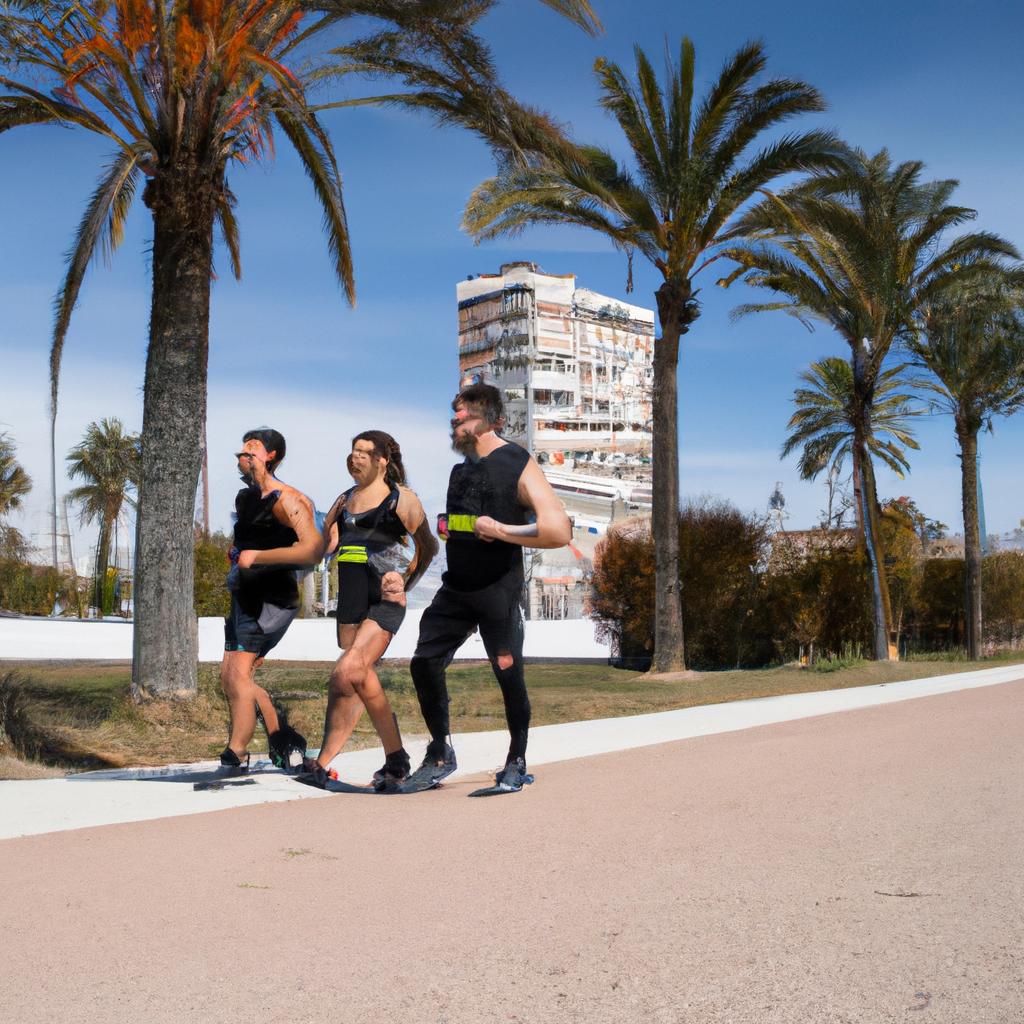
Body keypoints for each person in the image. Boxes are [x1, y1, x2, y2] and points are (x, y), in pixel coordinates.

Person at [408, 383, 572, 793]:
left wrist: (501, 529)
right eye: (454, 412)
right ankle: (440, 754)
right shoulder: (459, 469)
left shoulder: (517, 461)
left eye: (461, 413)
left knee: (507, 672)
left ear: (488, 419)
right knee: (423, 663)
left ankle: (516, 760)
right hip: (456, 589)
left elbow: (557, 529)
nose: (453, 418)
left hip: (498, 590)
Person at [302, 430, 437, 791]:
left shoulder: (400, 499)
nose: (355, 457)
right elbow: (322, 541)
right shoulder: (344, 500)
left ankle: (375, 759)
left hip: (384, 602)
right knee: (351, 677)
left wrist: (405, 582)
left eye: (364, 452)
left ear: (382, 461)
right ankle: (364, 759)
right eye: (352, 451)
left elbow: (429, 546)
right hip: (350, 600)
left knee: (349, 668)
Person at [220, 428, 321, 772]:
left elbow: (311, 548)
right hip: (243, 594)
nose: (244, 453)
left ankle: (236, 754)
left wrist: (257, 557)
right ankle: (282, 737)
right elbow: (245, 543)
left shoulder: (287, 499)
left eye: (254, 448)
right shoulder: (245, 498)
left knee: (238, 678)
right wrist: (236, 556)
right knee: (230, 678)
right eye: (243, 447)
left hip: (271, 599)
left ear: (272, 456)